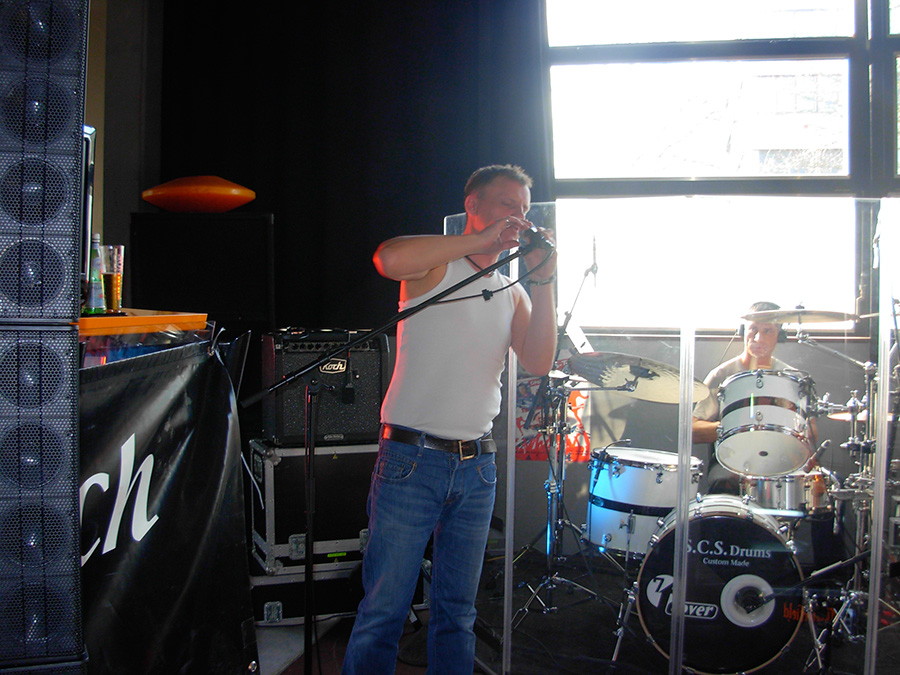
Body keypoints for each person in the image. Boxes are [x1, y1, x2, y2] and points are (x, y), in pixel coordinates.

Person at [342, 164, 558, 674]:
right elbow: (388, 257)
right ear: (473, 206)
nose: (518, 217)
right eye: (507, 204)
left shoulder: (513, 292)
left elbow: (539, 361)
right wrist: (480, 241)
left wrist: (544, 280)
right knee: (384, 610)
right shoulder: (437, 268)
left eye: (525, 209)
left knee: (457, 612)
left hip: (476, 467)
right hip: (412, 459)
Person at [692, 301, 802, 494]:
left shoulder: (792, 378)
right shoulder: (721, 375)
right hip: (731, 461)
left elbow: (810, 432)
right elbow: (693, 431)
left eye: (767, 331)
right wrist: (737, 428)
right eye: (753, 329)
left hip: (779, 458)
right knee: (724, 482)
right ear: (744, 331)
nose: (758, 337)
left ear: (779, 335)